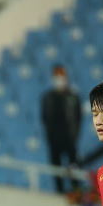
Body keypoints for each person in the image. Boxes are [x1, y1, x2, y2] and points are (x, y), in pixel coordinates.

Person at [41, 64, 82, 193]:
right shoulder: (47, 97)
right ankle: (59, 192)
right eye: (56, 76)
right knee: (56, 167)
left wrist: (74, 135)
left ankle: (76, 191)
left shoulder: (73, 97)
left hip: (70, 139)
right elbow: (44, 118)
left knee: (73, 166)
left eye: (61, 75)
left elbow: (78, 117)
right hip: (54, 140)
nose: (59, 78)